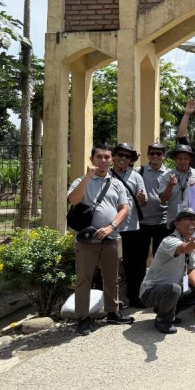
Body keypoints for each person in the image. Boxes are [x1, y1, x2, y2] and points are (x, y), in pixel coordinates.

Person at [67, 145, 134, 336]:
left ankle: (112, 311)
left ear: (111, 160)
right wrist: (87, 178)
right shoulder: (81, 180)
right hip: (87, 240)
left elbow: (124, 208)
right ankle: (82, 318)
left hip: (111, 237)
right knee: (84, 279)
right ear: (92, 159)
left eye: (106, 157)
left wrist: (111, 226)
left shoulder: (117, 184)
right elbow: (73, 200)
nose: (103, 161)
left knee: (112, 278)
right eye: (99, 157)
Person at [139, 208, 195, 334]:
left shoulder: (189, 243)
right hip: (150, 292)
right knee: (174, 289)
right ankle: (163, 319)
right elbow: (181, 249)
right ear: (177, 224)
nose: (193, 223)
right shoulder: (169, 241)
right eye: (189, 219)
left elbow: (190, 270)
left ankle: (167, 312)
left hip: (171, 291)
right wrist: (189, 247)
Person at [110, 142, 147, 309]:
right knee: (110, 267)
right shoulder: (105, 175)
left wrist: (141, 199)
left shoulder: (136, 176)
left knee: (136, 267)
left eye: (127, 156)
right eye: (120, 155)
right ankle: (110, 301)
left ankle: (134, 297)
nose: (123, 159)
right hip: (110, 229)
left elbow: (144, 202)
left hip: (132, 228)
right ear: (113, 156)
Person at [137, 142, 173, 259]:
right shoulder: (139, 171)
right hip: (142, 222)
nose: (155, 156)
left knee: (160, 257)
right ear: (148, 155)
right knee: (140, 257)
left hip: (162, 222)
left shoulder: (170, 174)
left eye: (159, 153)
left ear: (164, 156)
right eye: (152, 153)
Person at [159, 144, 195, 217]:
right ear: (175, 159)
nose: (182, 162)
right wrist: (170, 185)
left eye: (185, 159)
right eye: (180, 158)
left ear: (190, 159)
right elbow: (163, 200)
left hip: (194, 220)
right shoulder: (167, 176)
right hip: (174, 221)